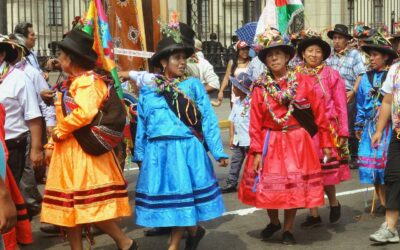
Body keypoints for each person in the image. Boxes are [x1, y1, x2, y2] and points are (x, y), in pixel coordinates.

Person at [133, 24, 228, 250]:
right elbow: (142, 126)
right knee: (176, 201)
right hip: (159, 154)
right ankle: (194, 231)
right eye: (177, 57)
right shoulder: (149, 91)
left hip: (186, 150)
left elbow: (208, 119)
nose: (182, 62)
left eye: (184, 58)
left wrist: (217, 150)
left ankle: (174, 244)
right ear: (164, 61)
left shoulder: (193, 86)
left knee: (181, 199)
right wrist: (140, 154)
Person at [40, 29, 135, 250]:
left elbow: (85, 113)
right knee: (71, 209)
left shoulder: (89, 81)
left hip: (83, 154)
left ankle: (125, 242)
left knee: (88, 206)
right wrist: (52, 144)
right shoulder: (74, 81)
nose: (58, 59)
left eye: (61, 55)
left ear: (70, 59)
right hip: (69, 152)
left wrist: (58, 133)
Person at [238, 28, 332, 245]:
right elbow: (255, 122)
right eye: (269, 55)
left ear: (288, 56)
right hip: (270, 140)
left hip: (297, 142)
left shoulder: (304, 81)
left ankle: (288, 229)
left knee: (293, 189)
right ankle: (274, 221)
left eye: (278, 53)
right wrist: (257, 151)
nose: (273, 58)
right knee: (269, 187)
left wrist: (326, 143)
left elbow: (320, 113)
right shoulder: (261, 87)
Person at [294, 29, 350, 227]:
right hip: (303, 131)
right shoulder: (295, 76)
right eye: (310, 51)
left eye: (318, 51)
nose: (313, 55)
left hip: (327, 130)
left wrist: (343, 131)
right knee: (309, 173)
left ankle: (334, 203)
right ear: (302, 53)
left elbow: (341, 104)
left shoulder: (332, 75)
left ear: (323, 54)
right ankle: (314, 214)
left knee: (326, 173)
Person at [355, 33, 398, 215]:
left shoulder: (393, 74)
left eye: (375, 55)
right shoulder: (365, 78)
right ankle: (382, 201)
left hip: (389, 127)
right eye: (369, 56)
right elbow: (360, 103)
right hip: (370, 127)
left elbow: (391, 101)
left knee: (387, 167)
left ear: (385, 56)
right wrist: (358, 124)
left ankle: (391, 201)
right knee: (371, 166)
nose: (371, 59)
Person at [0, 35, 44, 204]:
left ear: (2, 55)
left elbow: (33, 115)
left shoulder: (19, 78)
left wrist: (36, 149)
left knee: (8, 196)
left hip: (12, 147)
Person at [326, 24, 367, 169]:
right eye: (334, 38)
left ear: (346, 40)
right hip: (331, 96)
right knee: (332, 125)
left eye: (339, 38)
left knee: (348, 126)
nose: (336, 41)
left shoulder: (354, 54)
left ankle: (354, 156)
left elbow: (361, 74)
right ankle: (337, 154)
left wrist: (354, 91)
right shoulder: (329, 55)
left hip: (348, 94)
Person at [370, 61, 400, 244]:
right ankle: (390, 228)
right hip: (399, 133)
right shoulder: (395, 69)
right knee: (394, 176)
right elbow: (388, 100)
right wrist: (379, 130)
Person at [221, 72, 252, 193]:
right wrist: (231, 136)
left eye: (235, 87)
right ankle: (231, 182)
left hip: (250, 140)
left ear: (242, 89)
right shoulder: (237, 102)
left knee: (252, 163)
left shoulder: (251, 102)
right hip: (239, 139)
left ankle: (254, 183)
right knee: (236, 161)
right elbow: (232, 121)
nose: (233, 89)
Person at [218, 40, 251, 106]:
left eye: (247, 49)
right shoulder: (232, 62)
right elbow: (226, 78)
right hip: (236, 94)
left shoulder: (251, 61)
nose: (245, 51)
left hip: (249, 94)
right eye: (243, 49)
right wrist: (221, 91)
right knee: (235, 114)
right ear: (238, 50)